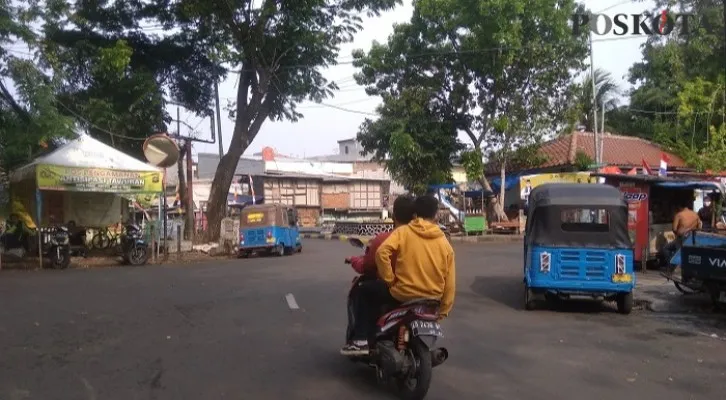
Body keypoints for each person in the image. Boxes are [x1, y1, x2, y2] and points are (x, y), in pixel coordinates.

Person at [349, 195, 456, 355]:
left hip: (402, 294)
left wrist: (389, 279)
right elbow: (450, 281)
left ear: (415, 215)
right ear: (436, 215)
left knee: (364, 292)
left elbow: (381, 253)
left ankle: (360, 341)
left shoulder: (404, 232)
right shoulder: (444, 242)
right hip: (432, 299)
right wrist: (444, 310)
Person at [341, 195, 415, 355]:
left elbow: (368, 266)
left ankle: (360, 339)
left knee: (363, 290)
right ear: (415, 216)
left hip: (396, 290)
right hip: (425, 291)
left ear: (393, 216)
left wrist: (353, 260)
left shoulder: (384, 239)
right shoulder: (424, 240)